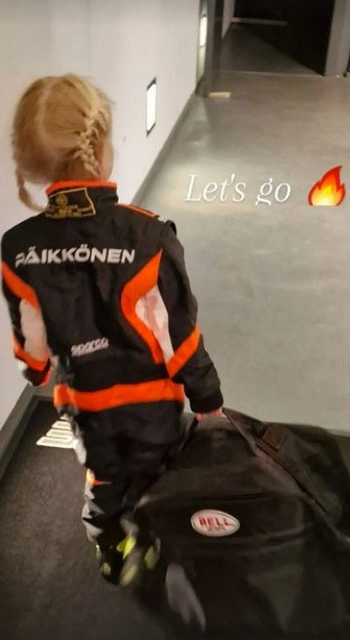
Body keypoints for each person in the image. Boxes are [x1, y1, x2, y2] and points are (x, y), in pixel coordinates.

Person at [2, 74, 223, 585]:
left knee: (102, 475)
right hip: (151, 407)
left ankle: (109, 544)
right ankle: (156, 530)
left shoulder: (17, 246)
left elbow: (33, 344)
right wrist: (208, 399)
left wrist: (37, 371)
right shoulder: (149, 235)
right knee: (156, 470)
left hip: (83, 404)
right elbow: (179, 338)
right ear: (101, 150)